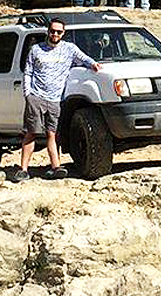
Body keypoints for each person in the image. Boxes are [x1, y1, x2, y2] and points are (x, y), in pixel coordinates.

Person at [14, 17, 101, 182]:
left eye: (58, 32)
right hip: (36, 97)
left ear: (63, 33)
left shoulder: (69, 49)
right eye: (52, 31)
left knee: (52, 134)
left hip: (55, 100)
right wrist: (28, 94)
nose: (55, 34)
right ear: (48, 31)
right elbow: (28, 72)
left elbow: (84, 58)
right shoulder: (36, 49)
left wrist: (93, 64)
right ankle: (23, 169)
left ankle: (56, 167)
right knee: (31, 133)